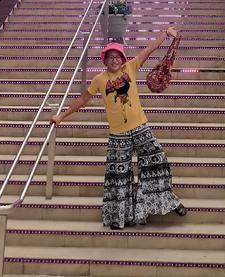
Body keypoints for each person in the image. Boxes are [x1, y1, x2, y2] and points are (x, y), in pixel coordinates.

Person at [51, 26, 186, 230]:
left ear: (122, 59)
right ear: (105, 60)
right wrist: (61, 116)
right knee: (118, 177)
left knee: (157, 162)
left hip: (140, 128)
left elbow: (148, 50)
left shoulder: (130, 68)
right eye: (110, 57)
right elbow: (83, 100)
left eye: (117, 56)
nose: (114, 60)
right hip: (118, 136)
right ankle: (119, 216)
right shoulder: (99, 80)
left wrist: (165, 34)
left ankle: (169, 201)